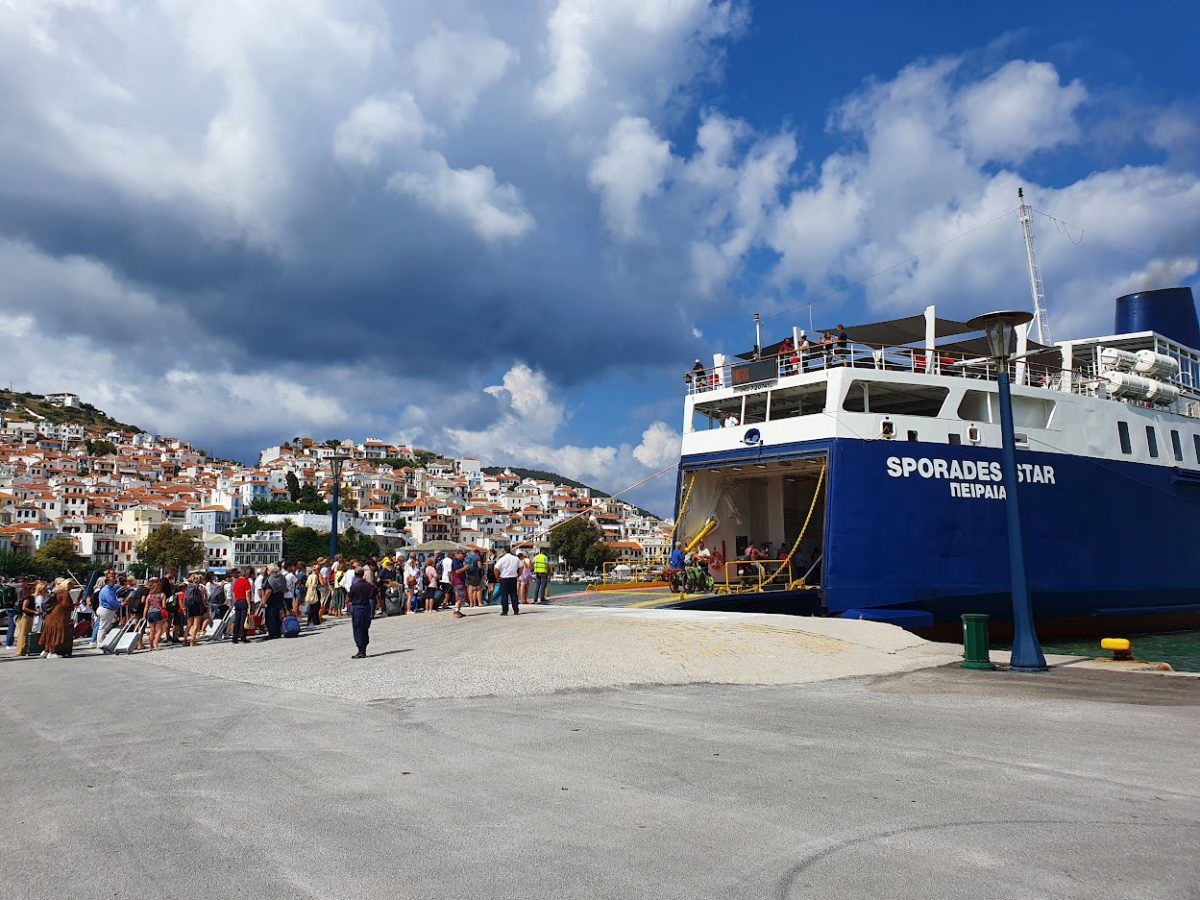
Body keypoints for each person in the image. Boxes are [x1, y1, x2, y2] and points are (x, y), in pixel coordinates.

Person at [347, 567, 374, 658]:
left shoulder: (354, 586)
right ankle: (364, 648)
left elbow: (349, 598)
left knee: (358, 628)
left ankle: (360, 650)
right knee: (365, 628)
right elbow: (372, 596)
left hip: (357, 608)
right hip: (367, 607)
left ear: (355, 575)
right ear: (363, 575)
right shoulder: (368, 585)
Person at [94, 571, 122, 647]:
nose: (114, 583)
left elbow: (117, 587)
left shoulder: (108, 589)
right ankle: (100, 643)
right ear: (108, 582)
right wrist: (119, 605)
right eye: (113, 581)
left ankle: (101, 642)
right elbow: (110, 600)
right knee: (103, 628)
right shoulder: (107, 590)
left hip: (105, 609)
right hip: (106, 610)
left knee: (103, 627)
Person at [260, 563, 287, 641]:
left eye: (267, 569)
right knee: (277, 618)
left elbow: (268, 590)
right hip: (279, 599)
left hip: (271, 601)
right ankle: (277, 632)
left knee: (270, 617)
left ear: (270, 570)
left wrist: (263, 601)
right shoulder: (281, 577)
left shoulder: (271, 578)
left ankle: (272, 634)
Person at [13, 580, 39, 656]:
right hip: (25, 617)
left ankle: (23, 649)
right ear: (30, 590)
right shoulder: (28, 598)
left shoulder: (30, 597)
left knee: (26, 634)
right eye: (33, 589)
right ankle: (20, 650)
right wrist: (34, 612)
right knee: (23, 634)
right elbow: (24, 608)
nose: (34, 590)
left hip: (28, 616)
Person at [493, 547, 521, 616]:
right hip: (513, 577)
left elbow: (496, 568)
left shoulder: (502, 559)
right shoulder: (516, 558)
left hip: (504, 578)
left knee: (504, 595)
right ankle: (516, 610)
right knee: (514, 594)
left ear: (504, 551)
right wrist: (518, 574)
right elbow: (521, 566)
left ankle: (505, 611)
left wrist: (497, 577)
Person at [184, 574, 207, 646]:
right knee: (196, 624)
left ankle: (185, 640)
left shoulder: (188, 587)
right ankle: (192, 641)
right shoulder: (201, 587)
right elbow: (204, 598)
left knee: (189, 624)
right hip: (197, 606)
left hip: (189, 606)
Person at [231, 568, 252, 645]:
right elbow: (247, 594)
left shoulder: (236, 582)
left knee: (237, 620)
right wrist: (249, 605)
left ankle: (235, 637)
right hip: (243, 601)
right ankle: (243, 637)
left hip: (237, 601)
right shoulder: (246, 582)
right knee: (243, 620)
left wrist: (236, 600)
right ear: (246, 574)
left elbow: (233, 593)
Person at [145, 579, 167, 651]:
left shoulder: (149, 596)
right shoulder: (162, 595)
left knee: (152, 630)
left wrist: (144, 615)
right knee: (159, 630)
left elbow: (146, 606)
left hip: (150, 613)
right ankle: (156, 644)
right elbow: (164, 606)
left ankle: (151, 645)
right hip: (158, 613)